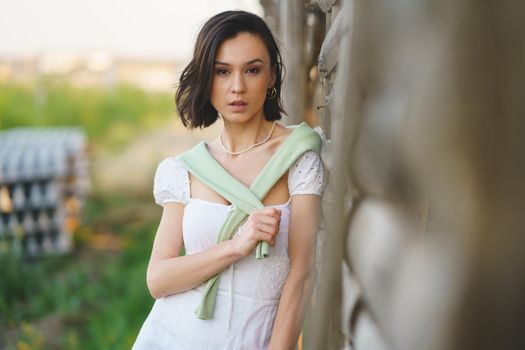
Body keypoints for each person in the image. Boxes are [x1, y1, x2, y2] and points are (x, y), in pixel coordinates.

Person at [132, 10, 326, 350]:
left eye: (252, 70)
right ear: (207, 80)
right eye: (222, 72)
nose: (237, 87)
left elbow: (303, 272)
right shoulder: (185, 169)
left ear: (271, 78)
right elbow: (158, 280)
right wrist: (236, 246)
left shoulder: (298, 157)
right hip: (172, 336)